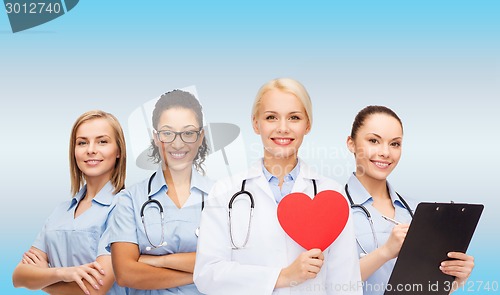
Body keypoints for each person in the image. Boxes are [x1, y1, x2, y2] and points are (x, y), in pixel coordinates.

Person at [194, 78, 361, 295]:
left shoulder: (332, 195)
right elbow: (207, 275)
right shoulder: (225, 192)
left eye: (294, 118)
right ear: (256, 124)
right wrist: (283, 277)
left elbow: (346, 284)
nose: (283, 128)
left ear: (308, 125)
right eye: (271, 117)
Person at [345, 105, 475, 294]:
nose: (385, 152)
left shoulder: (418, 212)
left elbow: (425, 286)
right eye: (374, 140)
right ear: (351, 143)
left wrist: (454, 279)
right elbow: (326, 283)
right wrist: (385, 252)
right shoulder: (332, 207)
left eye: (395, 144)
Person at [108, 90, 214, 295]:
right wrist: (204, 272)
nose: (177, 143)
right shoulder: (129, 200)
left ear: (201, 137)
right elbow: (125, 274)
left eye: (188, 133)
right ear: (155, 138)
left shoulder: (222, 196)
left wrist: (160, 261)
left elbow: (233, 264)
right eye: (167, 133)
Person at [12, 110, 128, 295]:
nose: (91, 149)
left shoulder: (124, 208)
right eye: (82, 142)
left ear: (119, 151)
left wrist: (42, 279)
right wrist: (63, 273)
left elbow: (95, 287)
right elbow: (18, 277)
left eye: (102, 141)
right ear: (74, 151)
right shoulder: (60, 212)